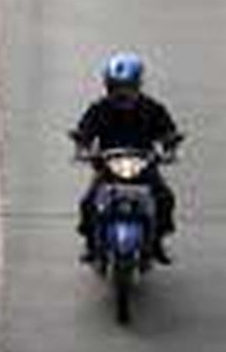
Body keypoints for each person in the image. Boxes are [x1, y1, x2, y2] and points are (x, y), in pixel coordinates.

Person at [72, 53, 182, 265]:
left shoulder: (153, 109)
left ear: (138, 85)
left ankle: (157, 241)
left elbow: (168, 132)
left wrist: (170, 148)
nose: (122, 93)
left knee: (165, 198)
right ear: (108, 86)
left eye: (128, 87)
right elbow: (84, 132)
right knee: (88, 202)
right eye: (116, 87)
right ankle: (91, 245)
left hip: (144, 166)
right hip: (108, 167)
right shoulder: (98, 109)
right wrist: (83, 148)